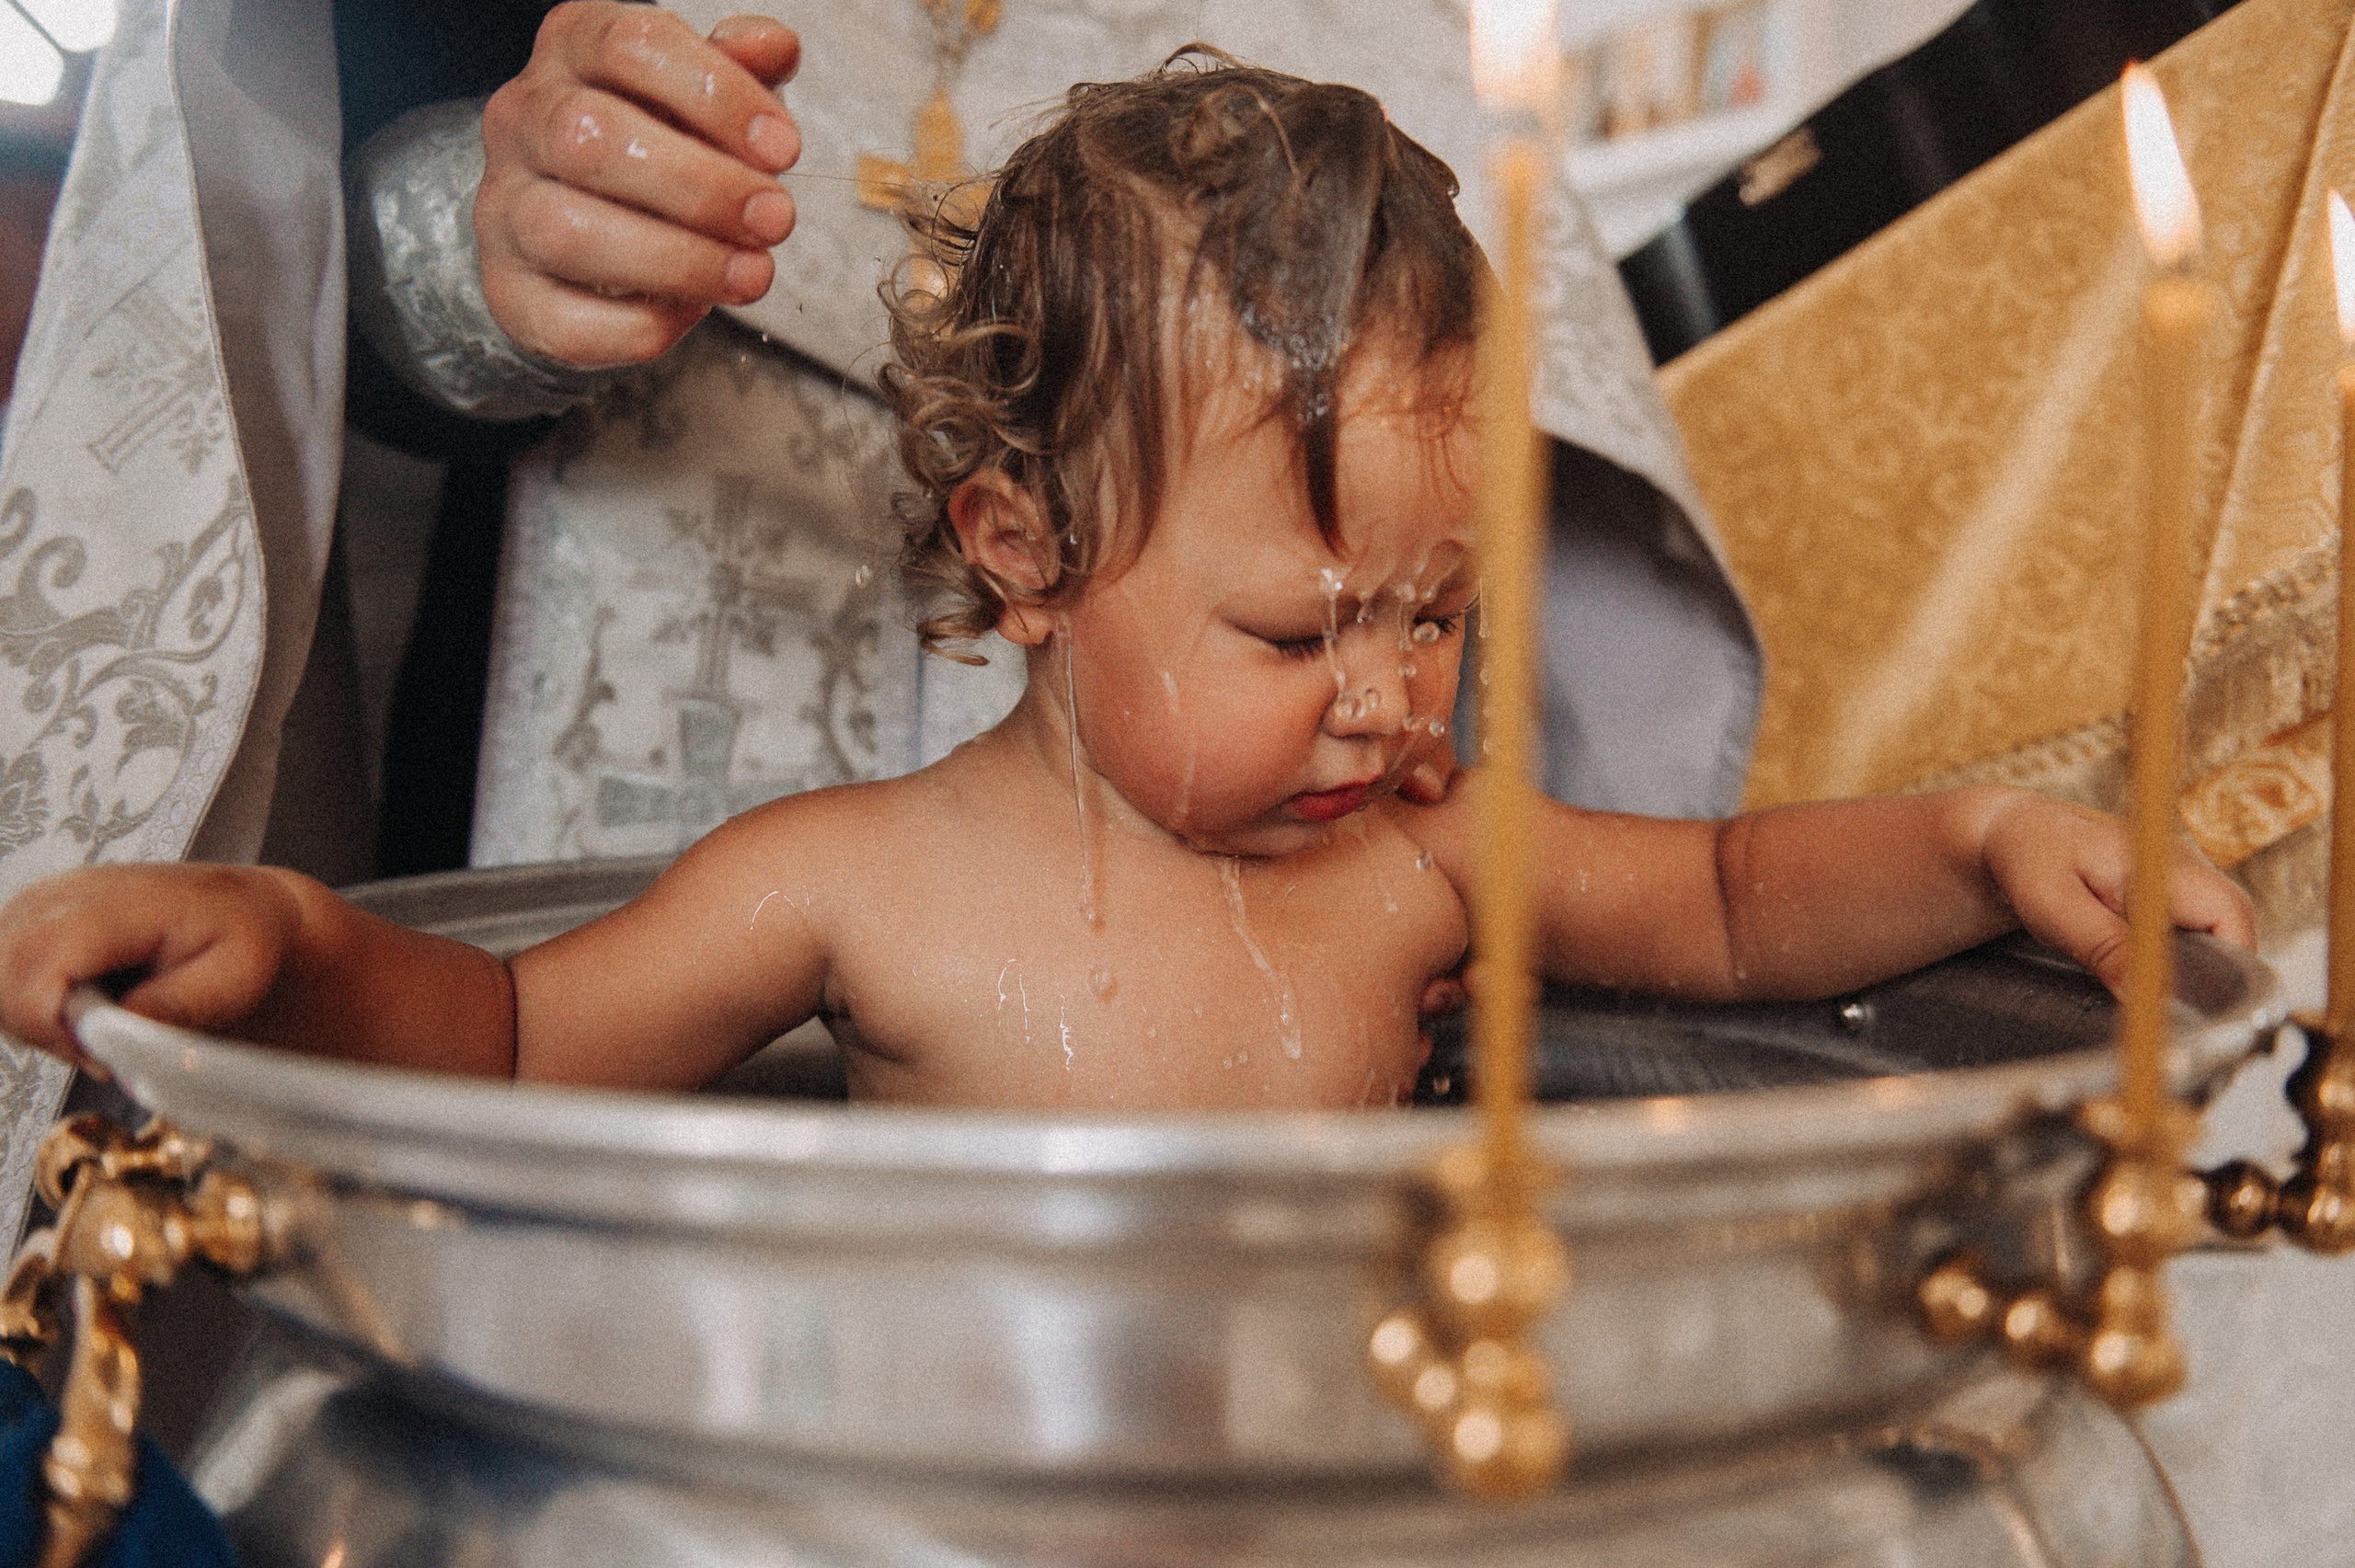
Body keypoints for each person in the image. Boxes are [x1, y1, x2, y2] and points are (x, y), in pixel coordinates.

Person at [0, 60, 2251, 1109]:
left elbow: (1741, 909)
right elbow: (508, 1039)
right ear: (1024, 552)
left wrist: (1978, 842)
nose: (1387, 698)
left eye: (1436, 613)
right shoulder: (848, 886)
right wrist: (296, 951)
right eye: (1295, 628)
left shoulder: (1417, 860)